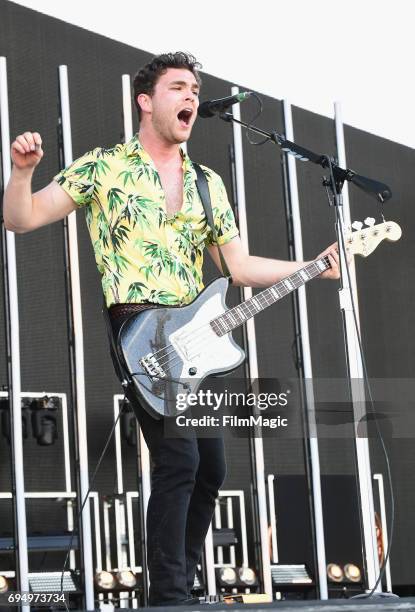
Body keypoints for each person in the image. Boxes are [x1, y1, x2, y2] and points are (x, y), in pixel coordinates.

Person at [3, 51, 340, 606]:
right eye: (178, 87)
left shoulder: (208, 183)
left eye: (194, 89)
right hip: (141, 330)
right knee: (179, 457)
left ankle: (176, 584)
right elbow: (21, 219)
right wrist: (22, 173)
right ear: (146, 100)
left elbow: (238, 268)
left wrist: (314, 267)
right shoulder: (105, 166)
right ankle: (169, 595)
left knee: (211, 468)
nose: (190, 97)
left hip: (197, 339)